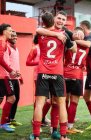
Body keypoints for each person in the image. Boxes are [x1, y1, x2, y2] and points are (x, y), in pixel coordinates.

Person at [30, 12, 76, 140]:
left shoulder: (41, 32)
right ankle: (63, 136)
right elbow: (73, 50)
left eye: (63, 19)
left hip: (43, 72)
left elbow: (37, 34)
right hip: (57, 72)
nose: (61, 21)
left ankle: (36, 136)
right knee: (62, 104)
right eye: (59, 18)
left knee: (39, 103)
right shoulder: (64, 34)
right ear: (54, 19)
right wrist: (69, 42)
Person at [64, 27, 89, 134]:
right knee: (74, 102)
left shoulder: (69, 43)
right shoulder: (87, 46)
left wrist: (73, 37)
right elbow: (84, 64)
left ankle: (61, 125)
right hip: (77, 75)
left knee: (62, 101)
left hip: (65, 73)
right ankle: (70, 126)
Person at [0, 23, 19, 132]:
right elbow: (0, 58)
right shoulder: (2, 42)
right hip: (3, 76)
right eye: (10, 30)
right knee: (12, 98)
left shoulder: (4, 43)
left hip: (4, 75)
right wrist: (10, 70)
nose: (12, 33)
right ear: (4, 31)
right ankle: (3, 124)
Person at [26, 43, 51, 126]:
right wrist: (40, 62)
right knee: (40, 99)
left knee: (48, 100)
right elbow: (28, 62)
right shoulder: (35, 48)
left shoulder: (49, 46)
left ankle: (42, 118)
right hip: (38, 76)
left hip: (50, 75)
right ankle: (36, 119)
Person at [8, 30, 23, 127]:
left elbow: (15, 63)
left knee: (16, 98)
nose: (14, 37)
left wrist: (20, 76)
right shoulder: (7, 47)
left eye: (16, 35)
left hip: (15, 78)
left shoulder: (16, 48)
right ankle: (6, 121)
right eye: (12, 35)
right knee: (10, 99)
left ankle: (11, 119)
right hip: (7, 77)